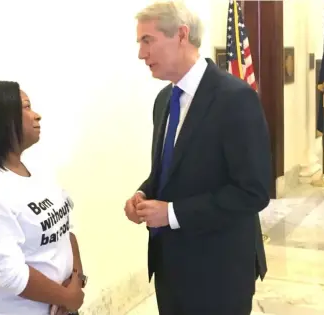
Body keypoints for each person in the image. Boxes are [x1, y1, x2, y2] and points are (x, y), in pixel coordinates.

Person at [124, 2, 271, 315]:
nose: (141, 53)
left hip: (220, 270)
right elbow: (169, 171)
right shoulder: (164, 99)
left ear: (181, 35)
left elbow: (253, 191)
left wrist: (173, 214)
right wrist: (144, 193)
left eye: (147, 40)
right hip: (170, 267)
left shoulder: (234, 98)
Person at [0, 81, 87, 315]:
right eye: (26, 107)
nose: (37, 116)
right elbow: (8, 273)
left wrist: (75, 280)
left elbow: (66, 229)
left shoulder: (38, 169)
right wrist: (67, 297)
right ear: (0, 120)